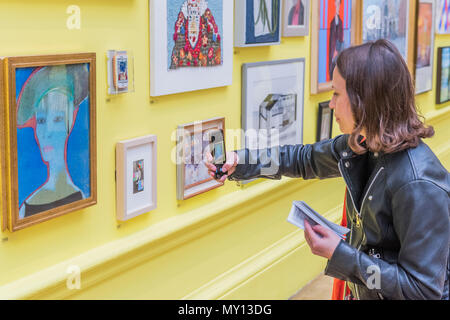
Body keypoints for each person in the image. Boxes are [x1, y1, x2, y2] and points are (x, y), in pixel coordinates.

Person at [205, 40, 450, 300]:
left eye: (336, 93)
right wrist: (239, 161)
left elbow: (421, 290)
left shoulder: (418, 184)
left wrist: (341, 254)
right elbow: (302, 159)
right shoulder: (362, 144)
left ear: (364, 101)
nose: (331, 104)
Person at [17, 65, 89, 218]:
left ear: (70, 122)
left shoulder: (81, 197)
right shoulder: (26, 208)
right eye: (41, 120)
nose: (46, 133)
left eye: (57, 119)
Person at [328, 0, 344, 80]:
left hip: (337, 49)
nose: (337, 5)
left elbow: (341, 37)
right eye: (336, 3)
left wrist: (337, 49)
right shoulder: (333, 21)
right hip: (332, 48)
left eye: (338, 3)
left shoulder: (340, 21)